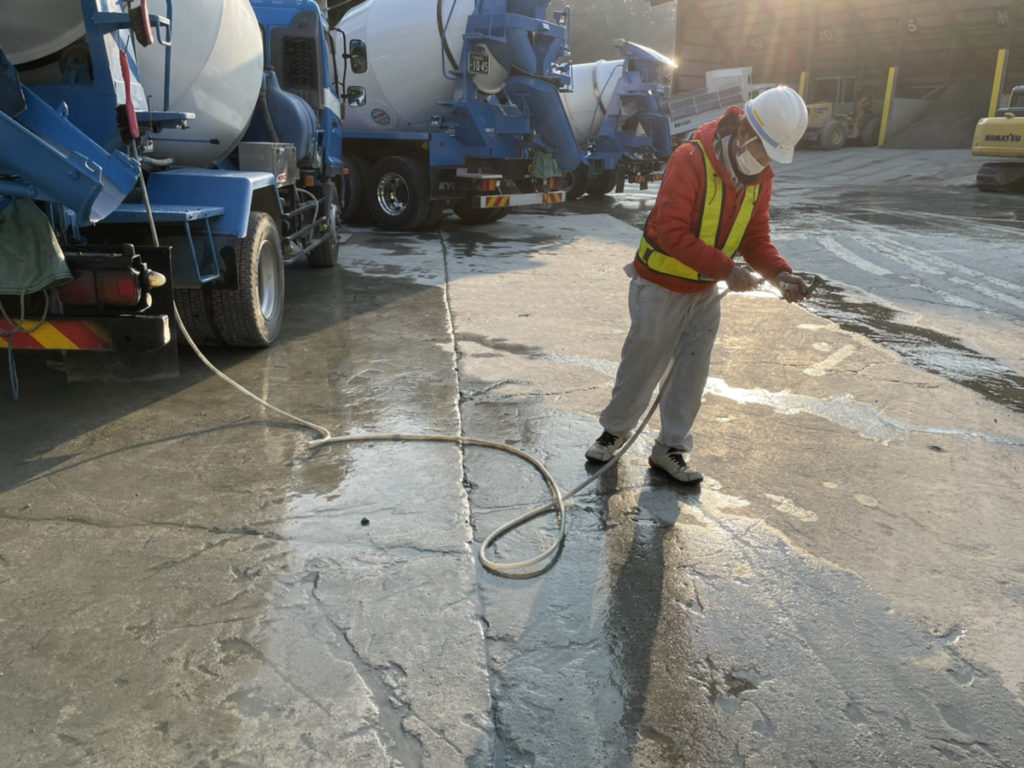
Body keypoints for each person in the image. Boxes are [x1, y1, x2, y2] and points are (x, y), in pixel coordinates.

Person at [585, 85, 813, 484]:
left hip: (704, 291)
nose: (763, 163)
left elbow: (755, 237)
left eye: (771, 157)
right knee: (643, 367)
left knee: (691, 375)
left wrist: (780, 274)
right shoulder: (690, 159)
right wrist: (727, 270)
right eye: (762, 152)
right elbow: (670, 230)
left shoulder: (761, 176)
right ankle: (613, 433)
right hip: (659, 285)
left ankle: (670, 449)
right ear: (744, 132)